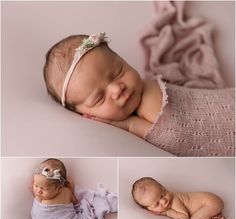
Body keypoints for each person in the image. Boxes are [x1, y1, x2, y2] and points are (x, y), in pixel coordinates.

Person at [43, 33, 235, 157]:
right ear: (84, 114)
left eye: (118, 71)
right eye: (99, 98)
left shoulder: (149, 92)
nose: (117, 89)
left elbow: (178, 137)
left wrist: (129, 124)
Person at [132, 177, 225, 219]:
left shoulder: (174, 200)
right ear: (150, 209)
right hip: (209, 202)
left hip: (210, 202)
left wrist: (168, 212)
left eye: (163, 194)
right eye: (157, 204)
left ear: (164, 187)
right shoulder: (168, 200)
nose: (164, 201)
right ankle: (213, 214)